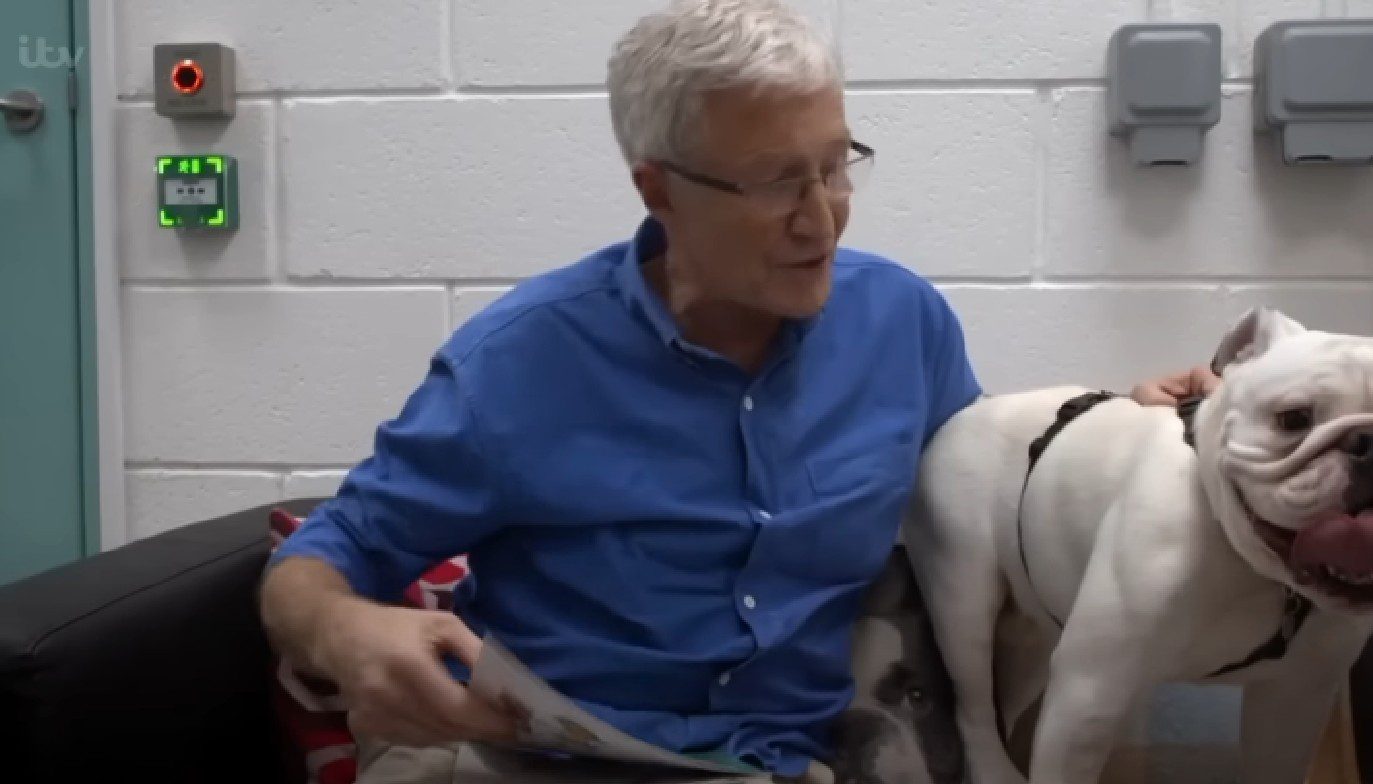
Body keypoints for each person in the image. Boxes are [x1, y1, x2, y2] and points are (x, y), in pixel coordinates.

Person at [257, 1, 1220, 782]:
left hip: (798, 759)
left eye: (835, 166)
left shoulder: (901, 325)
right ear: (658, 191)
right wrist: (343, 628)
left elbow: (987, 485)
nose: (822, 219)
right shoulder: (517, 366)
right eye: (774, 183)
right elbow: (323, 561)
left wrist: (1118, 436)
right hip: (550, 755)